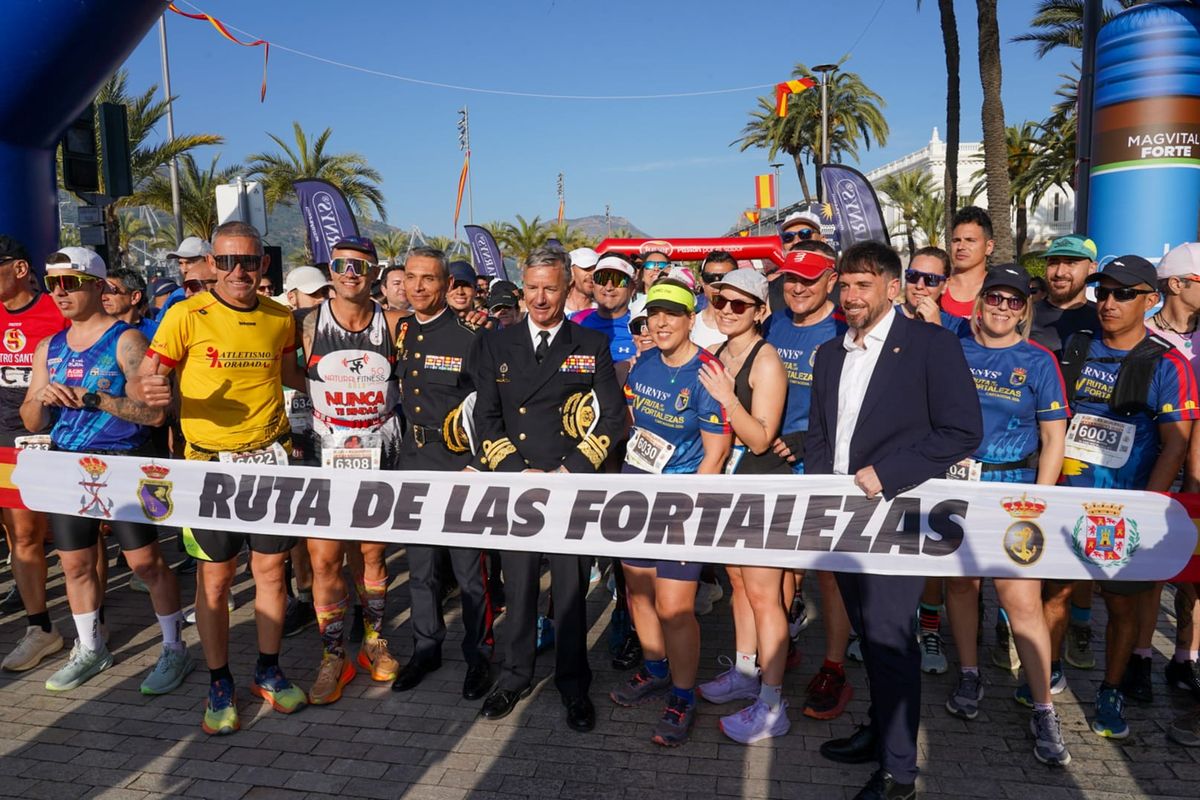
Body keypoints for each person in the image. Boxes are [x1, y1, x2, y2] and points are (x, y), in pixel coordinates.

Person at [808, 241, 982, 800]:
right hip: (840, 517)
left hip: (897, 514)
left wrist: (888, 472)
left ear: (891, 287)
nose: (851, 295)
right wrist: (819, 491)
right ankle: (881, 732)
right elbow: (820, 435)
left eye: (863, 285)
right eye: (845, 285)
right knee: (868, 632)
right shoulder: (829, 354)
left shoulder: (932, 345)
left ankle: (900, 774)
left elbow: (963, 431)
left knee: (889, 638)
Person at [135, 221, 310, 736]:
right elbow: (147, 376)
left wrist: (345, 390)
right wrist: (149, 389)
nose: (238, 272)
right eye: (228, 261)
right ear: (212, 264)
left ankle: (268, 670)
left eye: (248, 261)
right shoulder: (185, 314)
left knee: (272, 572)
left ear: (263, 264)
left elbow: (290, 377)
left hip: (269, 460)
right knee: (215, 579)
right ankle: (218, 680)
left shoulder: (280, 316)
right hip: (208, 466)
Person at [20, 247, 191, 694]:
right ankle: (90, 647)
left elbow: (155, 414)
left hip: (122, 463)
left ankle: (174, 647)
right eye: (53, 283)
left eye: (71, 283)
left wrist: (94, 399)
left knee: (145, 563)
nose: (60, 293)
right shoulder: (48, 347)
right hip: (66, 463)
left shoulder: (126, 340)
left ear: (98, 286)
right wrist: (42, 399)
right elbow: (31, 421)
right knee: (75, 564)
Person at [472, 247, 625, 732]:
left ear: (567, 289)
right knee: (518, 588)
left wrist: (570, 470)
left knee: (570, 592)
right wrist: (516, 470)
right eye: (533, 288)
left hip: (568, 485)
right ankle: (514, 676)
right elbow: (486, 417)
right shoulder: (496, 343)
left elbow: (613, 418)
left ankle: (573, 683)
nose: (541, 298)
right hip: (519, 484)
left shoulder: (590, 343)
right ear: (523, 289)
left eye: (551, 288)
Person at [1054, 255, 1199, 739]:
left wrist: (1146, 507)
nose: (1109, 302)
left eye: (1123, 293)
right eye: (1103, 292)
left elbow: (1176, 445)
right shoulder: (1076, 347)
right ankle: (1047, 673)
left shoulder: (1167, 363)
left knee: (1120, 606)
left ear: (1151, 300)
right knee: (1055, 595)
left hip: (1124, 506)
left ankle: (1111, 689)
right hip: (1065, 500)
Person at [938, 264, 1072, 766]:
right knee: (961, 585)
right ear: (980, 301)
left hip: (1015, 487)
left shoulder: (1038, 360)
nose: (1001, 307)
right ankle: (969, 674)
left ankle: (1043, 707)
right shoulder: (953, 348)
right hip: (957, 483)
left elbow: (1054, 438)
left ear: (1024, 309)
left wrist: (1042, 500)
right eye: (994, 297)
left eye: (1013, 301)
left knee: (1022, 600)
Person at [609, 280, 731, 746]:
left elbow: (716, 455)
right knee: (638, 591)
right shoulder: (643, 364)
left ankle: (683, 695)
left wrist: (690, 510)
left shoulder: (706, 371)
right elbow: (634, 424)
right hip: (636, 491)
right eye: (653, 315)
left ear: (690, 319)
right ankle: (655, 669)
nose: (660, 323)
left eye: (671, 314)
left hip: (682, 501)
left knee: (675, 607)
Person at [298, 236, 405, 704]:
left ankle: (373, 641)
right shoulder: (306, 323)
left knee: (372, 555)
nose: (350, 273)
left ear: (375, 273)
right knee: (324, 559)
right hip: (324, 451)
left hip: (379, 451)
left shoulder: (394, 323)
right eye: (342, 264)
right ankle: (332, 655)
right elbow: (286, 375)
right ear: (330, 269)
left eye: (360, 266)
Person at [388, 246, 493, 702]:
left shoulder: (471, 338)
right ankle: (426, 647)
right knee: (421, 568)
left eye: (428, 278)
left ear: (447, 284)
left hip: (458, 464)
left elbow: (490, 407)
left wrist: (479, 463)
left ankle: (479, 654)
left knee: (469, 573)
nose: (417, 287)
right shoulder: (404, 330)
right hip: (414, 459)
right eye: (410, 277)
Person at [693, 269, 793, 743]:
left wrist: (728, 398)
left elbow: (759, 439)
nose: (727, 310)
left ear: (760, 311)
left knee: (764, 594)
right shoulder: (716, 353)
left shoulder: (766, 360)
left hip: (761, 488)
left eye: (740, 304)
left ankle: (773, 703)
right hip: (728, 487)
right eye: (721, 301)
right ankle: (745, 671)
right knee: (737, 582)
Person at [760, 245, 858, 721]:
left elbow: (858, 402)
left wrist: (807, 437)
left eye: (810, 279)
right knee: (778, 567)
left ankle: (834, 668)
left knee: (828, 572)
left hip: (823, 464)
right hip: (773, 462)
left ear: (832, 281)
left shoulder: (844, 329)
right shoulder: (774, 323)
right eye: (791, 279)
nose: (798, 288)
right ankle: (781, 649)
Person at [0, 234, 70, 674]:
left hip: (56, 439)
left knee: (70, 538)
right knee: (20, 536)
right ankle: (40, 626)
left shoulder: (55, 311)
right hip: (6, 440)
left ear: (20, 269)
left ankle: (88, 625)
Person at [1030, 234, 1100, 355]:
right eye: (1053, 263)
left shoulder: (1103, 318)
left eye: (1070, 263)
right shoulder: (1025, 315)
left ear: (1092, 268)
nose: (1059, 272)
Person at [568, 255, 637, 366]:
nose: (608, 287)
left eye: (618, 280)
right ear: (593, 285)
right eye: (602, 278)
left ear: (632, 288)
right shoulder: (574, 320)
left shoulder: (641, 326)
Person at [941, 206, 995, 318]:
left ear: (989, 247)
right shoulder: (936, 287)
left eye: (970, 240)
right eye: (956, 240)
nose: (961, 247)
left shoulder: (999, 291)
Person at [898, 246, 964, 332]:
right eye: (913, 276)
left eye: (930, 279)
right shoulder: (886, 317)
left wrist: (936, 327)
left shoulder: (959, 327)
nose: (919, 286)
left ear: (945, 285)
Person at [692, 251, 736, 350]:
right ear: (702, 281)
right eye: (709, 278)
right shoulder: (689, 324)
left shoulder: (747, 324)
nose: (716, 285)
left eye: (724, 278)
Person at [103, 268, 158, 340]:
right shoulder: (94, 332)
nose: (103, 298)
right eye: (101, 291)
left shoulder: (158, 333)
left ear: (135, 297)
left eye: (111, 291)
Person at [566, 247, 597, 314]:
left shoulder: (604, 312)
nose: (593, 274)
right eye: (587, 268)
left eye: (596, 270)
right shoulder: (555, 309)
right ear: (571, 271)